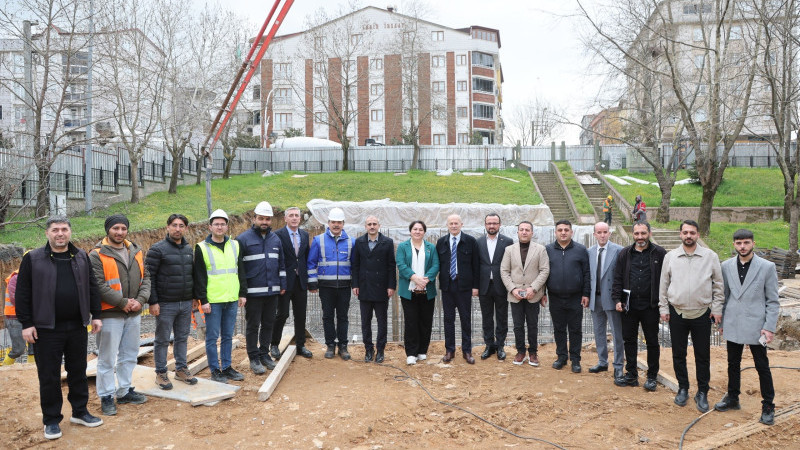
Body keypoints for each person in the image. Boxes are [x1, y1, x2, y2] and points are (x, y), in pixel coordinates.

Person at [15, 216, 104, 440]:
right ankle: (52, 420)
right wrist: (26, 324)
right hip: (46, 329)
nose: (60, 234)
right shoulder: (33, 259)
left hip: (76, 326)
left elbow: (93, 288)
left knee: (78, 372)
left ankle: (80, 412)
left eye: (64, 229)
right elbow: (22, 293)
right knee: (49, 375)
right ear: (47, 233)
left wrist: (96, 316)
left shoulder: (81, 256)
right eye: (55, 230)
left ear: (70, 232)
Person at [714, 229, 779, 426]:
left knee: (762, 366)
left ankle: (768, 405)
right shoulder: (726, 266)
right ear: (734, 244)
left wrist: (769, 327)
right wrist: (723, 322)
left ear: (753, 243)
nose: (743, 246)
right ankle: (733, 397)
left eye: (746, 243)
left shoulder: (767, 267)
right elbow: (724, 296)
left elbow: (773, 301)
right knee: (732, 364)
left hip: (756, 325)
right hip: (733, 321)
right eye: (739, 243)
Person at [659, 219, 723, 413]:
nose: (689, 236)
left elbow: (719, 286)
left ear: (698, 235)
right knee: (678, 353)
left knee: (702, 355)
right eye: (685, 232)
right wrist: (664, 308)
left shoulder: (710, 256)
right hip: (677, 313)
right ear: (680, 234)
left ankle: (702, 391)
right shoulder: (671, 257)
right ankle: (683, 388)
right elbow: (663, 284)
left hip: (702, 313)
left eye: (692, 233)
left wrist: (717, 308)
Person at [89, 214, 150, 416]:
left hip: (133, 313)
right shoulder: (97, 254)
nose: (120, 232)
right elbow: (98, 285)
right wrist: (123, 302)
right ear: (108, 230)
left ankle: (124, 390)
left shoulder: (135, 250)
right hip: (110, 313)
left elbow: (146, 278)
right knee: (107, 358)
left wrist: (139, 301)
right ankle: (106, 396)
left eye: (123, 228)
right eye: (116, 228)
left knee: (129, 354)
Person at [194, 209, 248, 383]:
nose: (219, 227)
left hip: (231, 298)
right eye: (216, 224)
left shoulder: (235, 245)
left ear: (227, 226)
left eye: (222, 224)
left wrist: (242, 293)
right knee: (211, 337)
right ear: (210, 226)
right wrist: (203, 300)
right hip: (213, 301)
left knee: (227, 336)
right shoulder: (202, 248)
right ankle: (215, 370)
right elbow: (199, 276)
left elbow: (240, 270)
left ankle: (227, 367)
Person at [611, 221, 666, 390]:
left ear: (649, 233)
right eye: (637, 234)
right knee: (629, 340)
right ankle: (632, 375)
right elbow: (617, 278)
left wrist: (664, 304)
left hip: (651, 306)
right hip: (630, 306)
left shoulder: (660, 253)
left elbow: (666, 280)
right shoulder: (624, 254)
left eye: (643, 233)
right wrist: (617, 300)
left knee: (652, 342)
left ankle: (651, 377)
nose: (640, 237)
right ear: (632, 235)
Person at [146, 213, 198, 390]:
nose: (177, 229)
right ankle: (161, 373)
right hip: (165, 304)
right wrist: (153, 302)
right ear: (167, 227)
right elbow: (149, 277)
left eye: (181, 226)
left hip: (185, 303)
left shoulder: (188, 249)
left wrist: (194, 297)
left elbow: (191, 275)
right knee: (162, 339)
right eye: (174, 225)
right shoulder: (157, 249)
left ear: (186, 228)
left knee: (182, 337)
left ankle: (181, 369)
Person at [237, 201, 286, 374]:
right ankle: (253, 358)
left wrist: (282, 285)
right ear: (254, 218)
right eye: (261, 218)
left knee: (268, 323)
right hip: (253, 292)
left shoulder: (275, 239)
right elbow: (239, 268)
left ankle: (264, 354)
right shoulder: (243, 239)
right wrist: (242, 292)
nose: (264, 222)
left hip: (272, 291)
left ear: (271, 220)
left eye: (267, 219)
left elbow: (281, 264)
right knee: (252, 325)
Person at [307, 207, 355, 360]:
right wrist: (313, 284)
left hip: (344, 287)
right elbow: (311, 263)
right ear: (328, 223)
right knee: (327, 316)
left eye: (339, 222)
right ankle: (330, 345)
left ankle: (343, 346)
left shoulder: (351, 241)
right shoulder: (318, 240)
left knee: (343, 317)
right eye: (333, 222)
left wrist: (355, 284)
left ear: (343, 224)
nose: (336, 225)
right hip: (326, 287)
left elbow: (355, 265)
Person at [500, 221, 550, 366]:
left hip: (532, 295)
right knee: (517, 325)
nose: (524, 232)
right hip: (515, 294)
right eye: (521, 229)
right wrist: (513, 289)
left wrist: (533, 288)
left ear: (532, 233)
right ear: (517, 232)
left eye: (527, 230)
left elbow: (544, 270)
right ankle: (520, 351)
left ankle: (533, 353)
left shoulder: (540, 250)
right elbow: (504, 271)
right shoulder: (509, 250)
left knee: (532, 324)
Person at [545, 219, 591, 373]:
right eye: (560, 230)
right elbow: (543, 273)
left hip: (575, 297)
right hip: (555, 297)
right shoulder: (548, 250)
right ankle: (561, 357)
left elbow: (586, 273)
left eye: (566, 230)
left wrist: (586, 293)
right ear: (555, 232)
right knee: (559, 328)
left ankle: (576, 359)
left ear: (571, 232)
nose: (563, 232)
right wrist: (543, 293)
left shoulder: (580, 250)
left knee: (575, 329)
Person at [352, 215, 396, 363]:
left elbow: (391, 266)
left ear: (379, 226)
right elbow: (355, 265)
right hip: (364, 287)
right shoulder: (359, 242)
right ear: (365, 226)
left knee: (382, 321)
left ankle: (381, 349)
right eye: (369, 224)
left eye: (374, 224)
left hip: (382, 288)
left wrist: (391, 286)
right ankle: (368, 348)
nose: (372, 226)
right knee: (365, 321)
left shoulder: (387, 242)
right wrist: (355, 284)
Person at [436, 214, 480, 364]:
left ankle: (467, 351)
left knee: (465, 319)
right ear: (447, 225)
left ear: (461, 224)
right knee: (448, 319)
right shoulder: (441, 242)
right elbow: (438, 264)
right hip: (447, 287)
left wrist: (475, 286)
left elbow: (476, 266)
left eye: (456, 223)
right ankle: (450, 350)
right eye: (451, 223)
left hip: (464, 287)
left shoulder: (470, 241)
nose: (454, 226)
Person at [396, 221, 439, 365]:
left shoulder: (430, 247)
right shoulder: (403, 247)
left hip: (427, 291)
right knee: (411, 321)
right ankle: (411, 353)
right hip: (409, 291)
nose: (417, 232)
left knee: (425, 321)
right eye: (415, 229)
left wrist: (425, 280)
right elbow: (401, 265)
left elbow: (435, 265)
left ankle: (422, 351)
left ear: (424, 232)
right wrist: (415, 278)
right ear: (410, 231)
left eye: (420, 229)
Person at [272, 206, 313, 359]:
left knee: (300, 314)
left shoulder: (304, 234)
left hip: (300, 281)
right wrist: (279, 281)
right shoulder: (277, 235)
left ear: (300, 218)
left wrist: (309, 280)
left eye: (297, 215)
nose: (295, 218)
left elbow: (306, 258)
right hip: (285, 282)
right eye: (291, 215)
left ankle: (301, 345)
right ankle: (274, 344)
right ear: (285, 219)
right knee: (282, 314)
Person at [587, 222, 623, 379]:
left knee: (617, 333)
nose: (602, 235)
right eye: (599, 232)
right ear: (594, 234)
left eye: (605, 232)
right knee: (598, 331)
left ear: (610, 233)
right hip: (596, 298)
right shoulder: (589, 252)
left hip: (612, 298)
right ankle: (602, 361)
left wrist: (620, 299)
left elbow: (622, 277)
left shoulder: (619, 251)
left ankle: (618, 365)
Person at [476, 213, 513, 361]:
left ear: (499, 225)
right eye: (489, 223)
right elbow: (475, 265)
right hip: (484, 285)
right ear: (485, 225)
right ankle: (489, 345)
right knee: (486, 317)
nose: (492, 226)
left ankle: (501, 345)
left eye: (495, 223)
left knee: (502, 317)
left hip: (501, 285)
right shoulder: (478, 242)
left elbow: (512, 263)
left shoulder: (508, 241)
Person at [3, 269, 35, 365]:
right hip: (14, 317)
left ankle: (31, 370)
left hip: (29, 315)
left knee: (33, 346)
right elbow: (16, 299)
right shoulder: (15, 278)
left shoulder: (33, 276)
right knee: (19, 349)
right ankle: (4, 368)